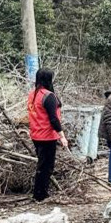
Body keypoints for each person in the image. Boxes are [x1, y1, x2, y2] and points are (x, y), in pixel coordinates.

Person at [28, 67, 70, 202]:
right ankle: (40, 195)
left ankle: (40, 193)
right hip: (46, 136)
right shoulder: (48, 96)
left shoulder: (33, 95)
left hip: (36, 135)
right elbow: (53, 119)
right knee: (46, 166)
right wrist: (62, 136)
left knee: (42, 165)